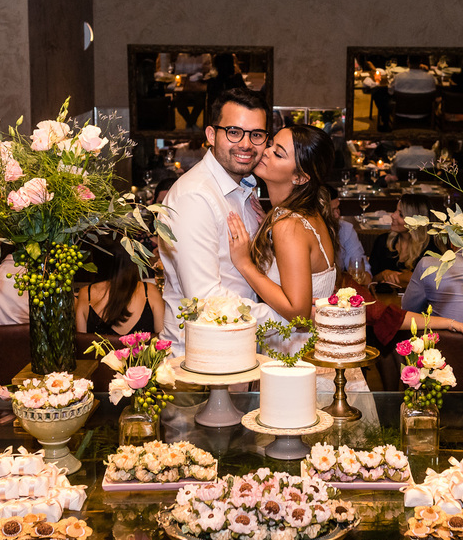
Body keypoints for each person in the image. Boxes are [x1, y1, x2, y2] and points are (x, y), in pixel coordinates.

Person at [158, 89, 275, 353]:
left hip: (239, 349)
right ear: (211, 135)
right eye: (234, 132)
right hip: (201, 357)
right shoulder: (194, 197)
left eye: (256, 135)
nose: (246, 144)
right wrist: (286, 318)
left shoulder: (244, 187)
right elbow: (206, 300)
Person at [226, 123, 338, 354]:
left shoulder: (289, 225)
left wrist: (245, 264)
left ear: (300, 177)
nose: (265, 151)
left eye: (278, 153)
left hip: (297, 356)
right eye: (270, 145)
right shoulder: (305, 214)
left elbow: (298, 314)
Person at [76, 239, 164, 337]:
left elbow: (81, 342)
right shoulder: (150, 291)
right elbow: (164, 339)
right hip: (144, 348)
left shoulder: (86, 294)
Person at [370, 194, 436, 288]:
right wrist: (384, 274)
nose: (393, 215)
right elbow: (371, 280)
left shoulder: (431, 248)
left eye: (401, 215)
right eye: (395, 210)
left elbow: (428, 282)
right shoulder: (383, 241)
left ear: (415, 223)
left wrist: (394, 278)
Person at [325, 185, 369, 276]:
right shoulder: (305, 234)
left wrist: (364, 275)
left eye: (337, 208)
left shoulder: (345, 229)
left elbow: (359, 264)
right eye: (332, 211)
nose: (337, 215)